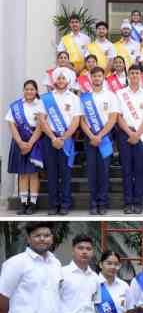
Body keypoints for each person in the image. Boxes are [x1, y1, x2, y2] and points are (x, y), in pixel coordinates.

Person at [39, 68, 81, 215]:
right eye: (59, 78)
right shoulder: (46, 98)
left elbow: (76, 121)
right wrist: (53, 138)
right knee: (51, 173)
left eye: (64, 78)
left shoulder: (74, 98)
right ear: (54, 80)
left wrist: (63, 138)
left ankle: (65, 204)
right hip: (50, 139)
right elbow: (42, 120)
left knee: (66, 174)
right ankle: (53, 204)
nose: (61, 81)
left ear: (68, 80)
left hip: (66, 140)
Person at [80, 66, 119, 215]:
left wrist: (100, 135)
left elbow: (113, 118)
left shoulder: (111, 96)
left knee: (103, 171)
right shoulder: (85, 97)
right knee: (91, 171)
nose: (97, 78)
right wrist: (91, 136)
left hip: (105, 138)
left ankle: (102, 203)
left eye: (99, 76)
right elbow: (82, 120)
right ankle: (93, 202)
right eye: (94, 76)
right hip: (89, 138)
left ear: (103, 78)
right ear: (90, 78)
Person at [116, 64, 143, 214]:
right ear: (128, 76)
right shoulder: (120, 93)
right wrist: (130, 133)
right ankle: (128, 202)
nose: (134, 76)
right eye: (131, 73)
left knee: (139, 170)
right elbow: (118, 116)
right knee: (126, 170)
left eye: (137, 73)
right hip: (125, 134)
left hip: (141, 135)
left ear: (140, 75)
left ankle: (138, 202)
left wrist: (137, 134)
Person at [6, 79, 45, 215]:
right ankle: (23, 203)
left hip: (35, 143)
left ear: (36, 91)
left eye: (32, 89)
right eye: (27, 89)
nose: (29, 91)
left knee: (34, 174)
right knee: (22, 174)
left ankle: (33, 203)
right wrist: (21, 143)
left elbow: (41, 126)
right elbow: (12, 126)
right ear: (24, 91)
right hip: (19, 143)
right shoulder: (15, 106)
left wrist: (30, 143)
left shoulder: (40, 105)